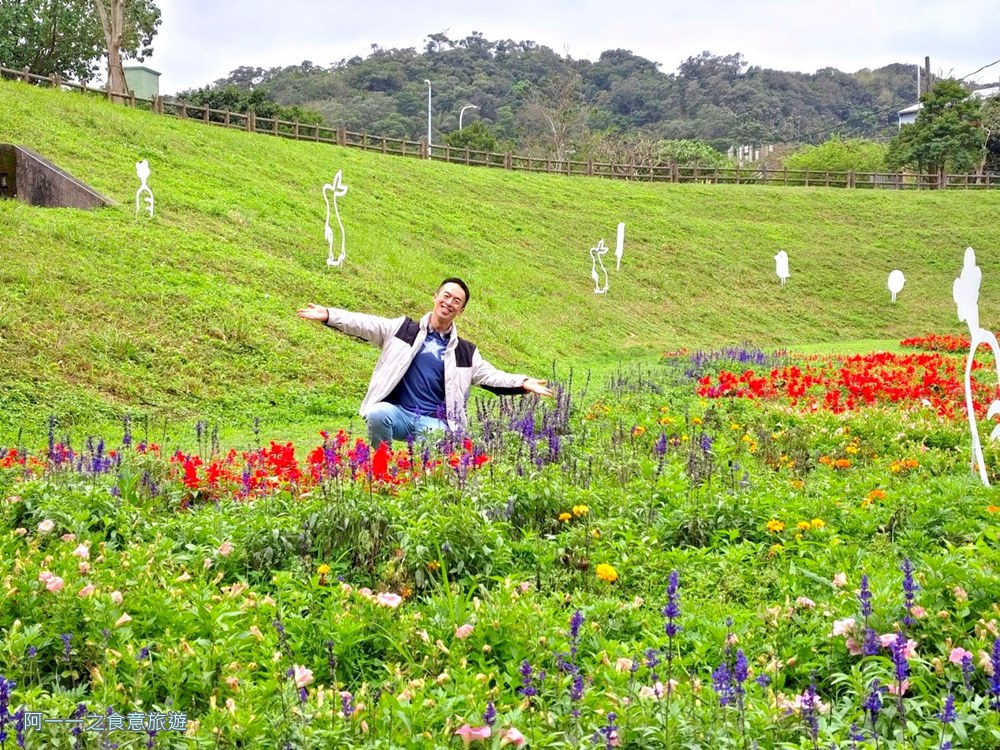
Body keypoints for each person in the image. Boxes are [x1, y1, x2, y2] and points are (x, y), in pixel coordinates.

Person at [297, 277, 553, 446]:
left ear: (461, 310)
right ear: (435, 296)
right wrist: (330, 315)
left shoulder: (465, 352)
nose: (449, 302)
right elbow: (365, 323)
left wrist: (523, 382)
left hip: (434, 423)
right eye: (446, 295)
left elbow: (492, 375)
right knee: (376, 414)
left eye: (457, 301)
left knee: (437, 449)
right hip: (398, 414)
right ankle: (381, 471)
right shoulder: (402, 329)